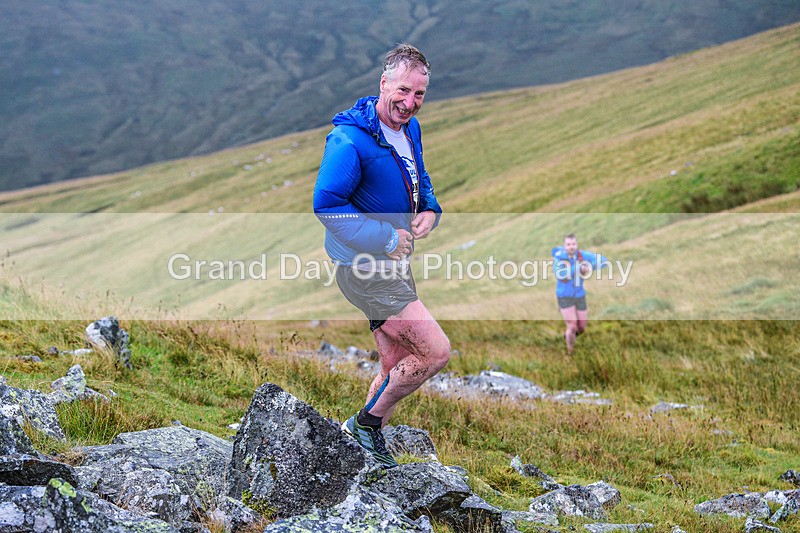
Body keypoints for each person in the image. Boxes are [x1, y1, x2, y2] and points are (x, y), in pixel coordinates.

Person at [313, 44, 450, 468]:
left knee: (395, 363)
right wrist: (386, 238)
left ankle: (356, 458)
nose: (410, 102)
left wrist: (429, 208)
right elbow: (326, 205)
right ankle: (364, 426)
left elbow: (417, 176)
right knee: (434, 352)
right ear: (383, 83)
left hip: (393, 266)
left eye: (419, 94)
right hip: (364, 268)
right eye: (403, 90)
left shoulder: (410, 129)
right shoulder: (348, 140)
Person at [551, 233, 608, 354]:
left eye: (573, 244)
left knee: (581, 327)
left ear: (576, 244)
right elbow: (560, 274)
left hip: (580, 295)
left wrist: (589, 266)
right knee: (572, 325)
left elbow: (603, 261)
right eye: (568, 244)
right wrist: (578, 268)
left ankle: (569, 336)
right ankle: (570, 352)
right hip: (564, 296)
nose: (571, 246)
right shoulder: (559, 258)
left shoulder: (582, 255)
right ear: (564, 246)